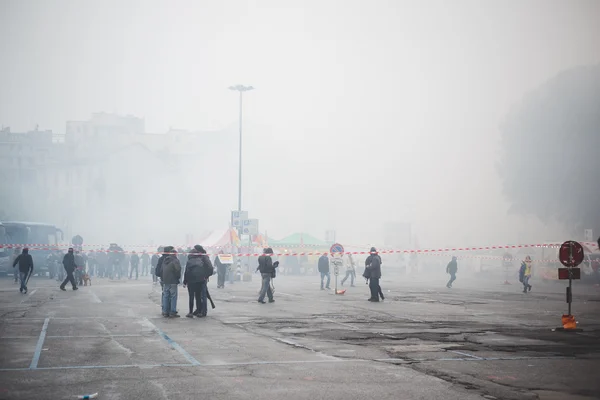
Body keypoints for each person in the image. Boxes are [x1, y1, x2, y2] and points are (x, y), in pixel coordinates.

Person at [184, 245, 214, 318]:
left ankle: (203, 311)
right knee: (198, 295)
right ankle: (199, 310)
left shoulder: (203, 257)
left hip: (199, 279)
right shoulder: (200, 257)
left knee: (202, 295)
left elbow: (210, 267)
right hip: (200, 279)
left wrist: (206, 275)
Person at [161, 246, 181, 318]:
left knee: (166, 296)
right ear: (175, 254)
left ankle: (165, 312)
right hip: (173, 281)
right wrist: (178, 278)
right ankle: (172, 311)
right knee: (173, 296)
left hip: (166, 281)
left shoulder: (165, 260)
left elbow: (161, 270)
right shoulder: (175, 260)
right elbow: (177, 270)